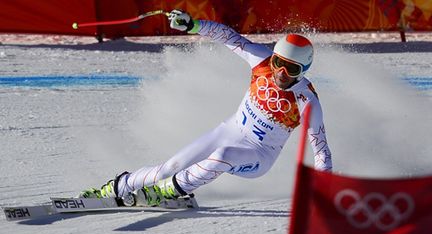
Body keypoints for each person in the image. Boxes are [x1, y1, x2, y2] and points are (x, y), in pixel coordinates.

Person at [80, 10, 333, 206]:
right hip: (231, 130)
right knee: (170, 166)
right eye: (279, 62)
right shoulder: (261, 61)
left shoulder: (307, 101)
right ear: (273, 57)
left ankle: (166, 192)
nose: (280, 73)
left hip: (259, 155)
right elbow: (228, 36)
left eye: (291, 69)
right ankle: (113, 189)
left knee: (223, 155)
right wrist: (193, 25)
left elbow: (321, 151)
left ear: (304, 71)